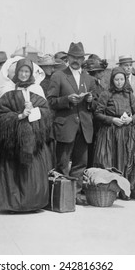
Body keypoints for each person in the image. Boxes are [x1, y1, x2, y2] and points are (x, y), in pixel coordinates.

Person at [0, 57, 51, 212]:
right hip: (11, 142)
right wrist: (19, 116)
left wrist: (33, 111)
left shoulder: (37, 90)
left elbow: (46, 114)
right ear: (16, 72)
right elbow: (0, 115)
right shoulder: (8, 90)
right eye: (21, 71)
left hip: (33, 141)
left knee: (31, 172)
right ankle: (13, 204)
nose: (24, 74)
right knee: (12, 172)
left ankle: (32, 203)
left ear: (31, 73)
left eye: (27, 71)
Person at [47, 42, 96, 205]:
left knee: (80, 163)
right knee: (62, 163)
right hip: (65, 126)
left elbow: (95, 105)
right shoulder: (58, 75)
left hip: (84, 127)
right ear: (68, 58)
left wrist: (90, 100)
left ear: (83, 59)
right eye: (73, 57)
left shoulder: (89, 78)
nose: (76, 60)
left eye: (79, 57)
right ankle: (61, 196)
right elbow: (50, 101)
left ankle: (76, 194)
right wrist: (66, 100)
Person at [92, 67, 135, 198]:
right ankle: (110, 191)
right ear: (112, 80)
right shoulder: (106, 94)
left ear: (125, 80)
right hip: (110, 133)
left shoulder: (129, 94)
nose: (119, 82)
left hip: (127, 133)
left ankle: (125, 190)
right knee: (110, 159)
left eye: (122, 79)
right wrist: (112, 119)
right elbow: (97, 113)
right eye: (117, 79)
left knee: (127, 160)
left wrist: (131, 119)